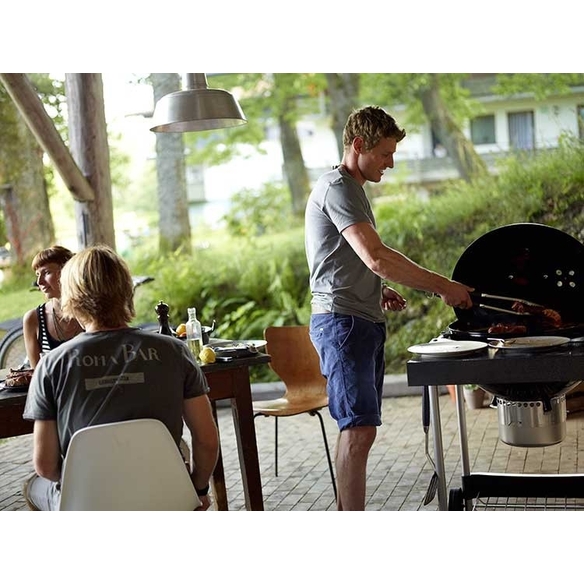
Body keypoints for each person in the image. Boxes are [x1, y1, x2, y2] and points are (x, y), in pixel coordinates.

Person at [305, 105, 474, 511]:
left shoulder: (351, 189)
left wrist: (375, 289)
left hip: (358, 318)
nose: (391, 163)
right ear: (359, 145)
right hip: (341, 323)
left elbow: (346, 258)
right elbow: (376, 255)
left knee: (362, 428)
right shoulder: (339, 187)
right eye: (385, 153)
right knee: (358, 429)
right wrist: (443, 287)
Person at [22, 244, 219, 511]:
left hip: (90, 502)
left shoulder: (51, 366)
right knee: (180, 450)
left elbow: (45, 466)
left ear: (72, 298)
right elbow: (207, 440)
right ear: (126, 290)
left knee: (32, 487)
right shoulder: (174, 351)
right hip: (164, 494)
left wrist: (83, 481)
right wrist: (198, 488)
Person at [23, 245, 84, 368]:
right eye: (37, 274)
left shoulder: (91, 311)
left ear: (67, 272)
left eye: (46, 272)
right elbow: (36, 375)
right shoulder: (33, 319)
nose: (39, 282)